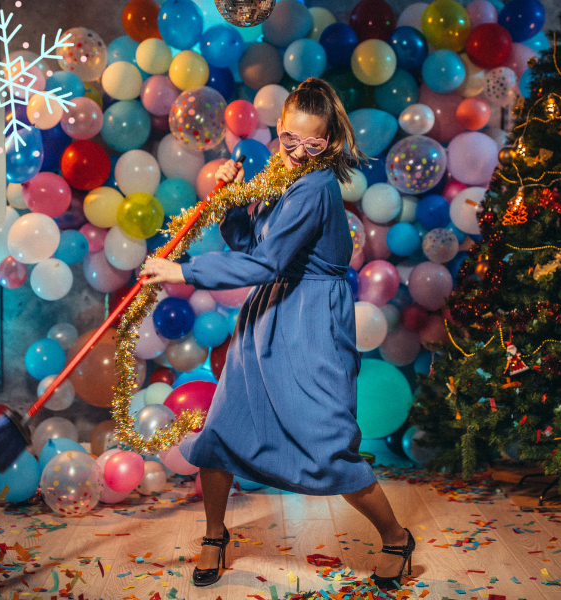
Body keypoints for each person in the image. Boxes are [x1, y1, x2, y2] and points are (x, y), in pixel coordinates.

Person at [140, 78, 415, 590]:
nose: (299, 152)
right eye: (290, 140)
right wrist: (230, 201)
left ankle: (397, 538)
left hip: (309, 321)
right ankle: (216, 535)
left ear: (330, 141)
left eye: (313, 144)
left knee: (329, 445)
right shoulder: (277, 174)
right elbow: (249, 241)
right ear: (280, 130)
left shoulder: (316, 186)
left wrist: (184, 271)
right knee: (222, 431)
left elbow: (265, 261)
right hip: (266, 319)